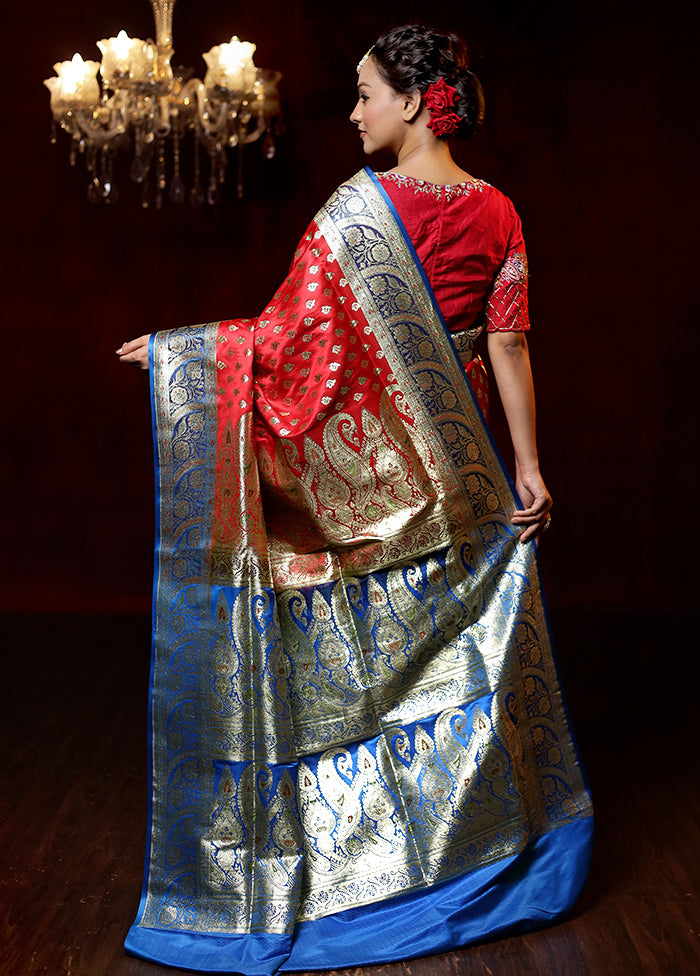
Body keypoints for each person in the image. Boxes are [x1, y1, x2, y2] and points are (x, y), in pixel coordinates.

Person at [118, 25, 592, 975]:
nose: (354, 111)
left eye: (367, 93)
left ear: (414, 102)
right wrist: (528, 468)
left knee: (369, 677)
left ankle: (365, 874)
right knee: (458, 675)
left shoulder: (353, 212)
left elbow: (288, 341)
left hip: (376, 482)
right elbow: (507, 347)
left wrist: (187, 359)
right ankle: (481, 861)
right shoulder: (499, 210)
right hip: (464, 478)